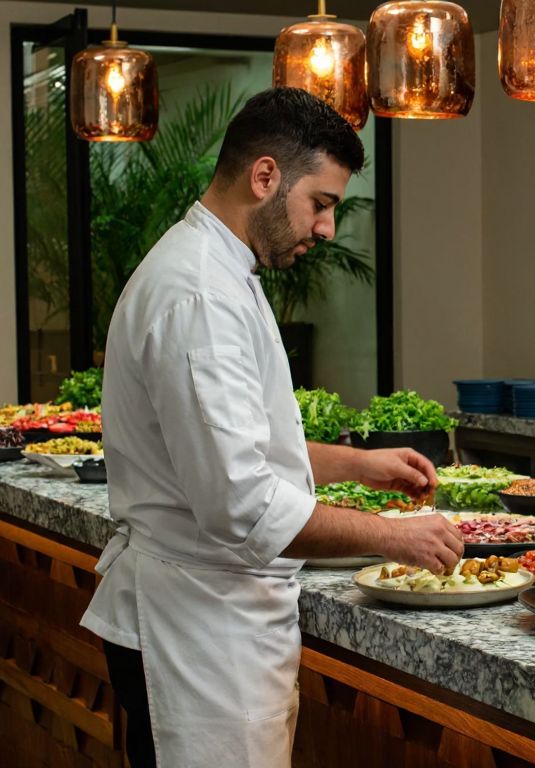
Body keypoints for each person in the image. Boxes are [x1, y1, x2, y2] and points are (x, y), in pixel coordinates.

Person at [80, 88, 465, 768]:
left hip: (212, 617)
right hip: (195, 631)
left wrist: (358, 465)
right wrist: (395, 537)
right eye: (321, 203)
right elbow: (241, 503)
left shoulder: (224, 271)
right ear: (265, 177)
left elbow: (233, 444)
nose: (326, 229)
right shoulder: (199, 293)